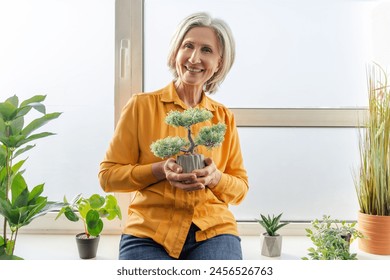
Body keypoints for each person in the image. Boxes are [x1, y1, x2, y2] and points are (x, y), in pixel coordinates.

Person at [99, 12, 248, 260]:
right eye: (188, 46)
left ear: (219, 63)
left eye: (207, 50)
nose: (194, 58)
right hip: (149, 232)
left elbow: (240, 189)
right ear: (175, 52)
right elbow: (108, 177)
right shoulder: (141, 106)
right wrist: (159, 170)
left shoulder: (222, 117)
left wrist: (215, 177)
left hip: (212, 230)